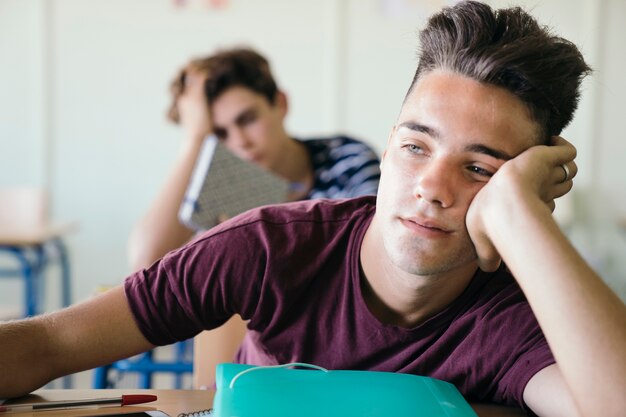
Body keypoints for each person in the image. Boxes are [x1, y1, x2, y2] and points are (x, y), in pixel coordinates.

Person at [1, 2, 625, 416]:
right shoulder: (267, 242)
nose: (430, 188)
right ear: (387, 145)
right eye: (415, 146)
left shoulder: (512, 315)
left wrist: (522, 215)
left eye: (481, 168)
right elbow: (50, 343)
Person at [127, 47, 381, 271]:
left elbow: (375, 256)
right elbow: (145, 262)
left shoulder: (346, 158)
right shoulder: (215, 186)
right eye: (219, 133)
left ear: (280, 103)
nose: (240, 142)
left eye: (247, 119)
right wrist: (194, 139)